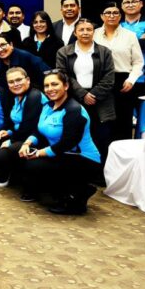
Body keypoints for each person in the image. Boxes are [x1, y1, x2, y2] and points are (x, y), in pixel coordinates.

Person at [19, 70, 102, 214]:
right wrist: (27, 144)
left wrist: (39, 153)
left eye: (54, 84)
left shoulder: (74, 110)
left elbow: (67, 143)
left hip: (84, 159)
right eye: (46, 86)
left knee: (35, 165)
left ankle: (78, 195)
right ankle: (67, 192)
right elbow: (39, 130)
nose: (50, 89)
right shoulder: (47, 106)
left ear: (66, 86)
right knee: (26, 161)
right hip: (63, 154)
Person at [56, 18, 115, 163]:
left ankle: (101, 171)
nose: (85, 32)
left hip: (101, 100)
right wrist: (83, 94)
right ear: (75, 33)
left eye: (89, 29)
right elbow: (63, 76)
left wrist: (93, 94)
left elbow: (109, 77)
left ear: (93, 32)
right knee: (76, 134)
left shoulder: (104, 51)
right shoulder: (64, 52)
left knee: (101, 135)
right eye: (81, 30)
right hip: (75, 99)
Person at [94, 2, 143, 143]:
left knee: (123, 120)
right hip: (100, 81)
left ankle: (123, 159)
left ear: (120, 16)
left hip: (123, 82)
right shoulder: (94, 34)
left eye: (115, 13)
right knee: (102, 121)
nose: (111, 15)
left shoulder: (130, 36)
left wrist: (131, 80)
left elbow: (138, 62)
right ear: (102, 16)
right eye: (107, 13)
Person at [0, 67, 46, 188]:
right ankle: (8, 172)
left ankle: (19, 177)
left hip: (37, 137)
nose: (15, 84)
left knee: (4, 153)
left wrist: (10, 140)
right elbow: (14, 122)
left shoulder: (34, 96)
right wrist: (7, 132)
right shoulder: (16, 97)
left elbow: (29, 126)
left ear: (28, 80)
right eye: (11, 82)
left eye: (18, 80)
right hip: (22, 134)